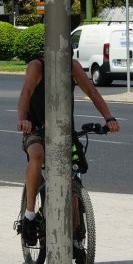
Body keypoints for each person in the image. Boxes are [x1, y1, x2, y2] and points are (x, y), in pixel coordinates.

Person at [15, 57, 120, 246]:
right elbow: (26, 92)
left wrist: (109, 117)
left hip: (64, 130)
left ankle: (77, 237)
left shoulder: (72, 66)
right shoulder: (37, 67)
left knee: (73, 172)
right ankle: (30, 214)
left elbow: (91, 91)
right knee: (37, 154)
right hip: (36, 127)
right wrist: (23, 119)